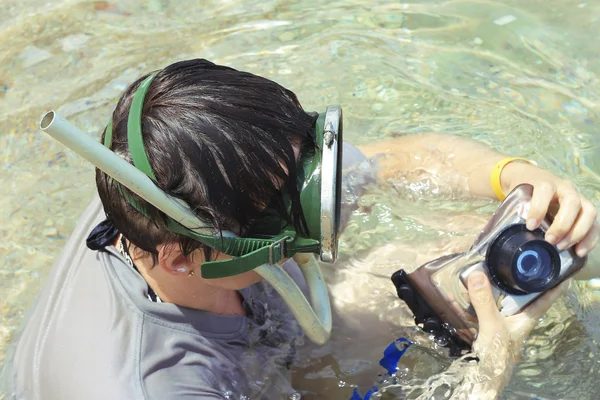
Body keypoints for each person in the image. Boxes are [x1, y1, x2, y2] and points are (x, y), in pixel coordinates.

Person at [3, 59, 599, 400]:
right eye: (286, 208)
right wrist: (490, 373)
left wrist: (522, 177)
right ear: (183, 256)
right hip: (229, 377)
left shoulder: (170, 181)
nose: (319, 210)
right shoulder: (154, 386)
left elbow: (408, 158)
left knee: (516, 242)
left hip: (253, 323)